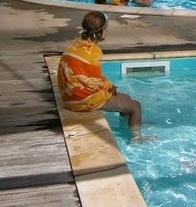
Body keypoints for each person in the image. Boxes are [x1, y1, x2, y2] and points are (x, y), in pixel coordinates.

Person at [57, 11, 154, 143]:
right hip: (83, 100)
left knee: (126, 98)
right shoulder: (93, 52)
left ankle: (132, 122)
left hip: (70, 97)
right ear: (100, 31)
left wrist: (110, 86)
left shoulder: (75, 44)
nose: (107, 30)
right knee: (136, 106)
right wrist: (109, 89)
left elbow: (89, 77)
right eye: (106, 27)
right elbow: (94, 83)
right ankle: (136, 137)